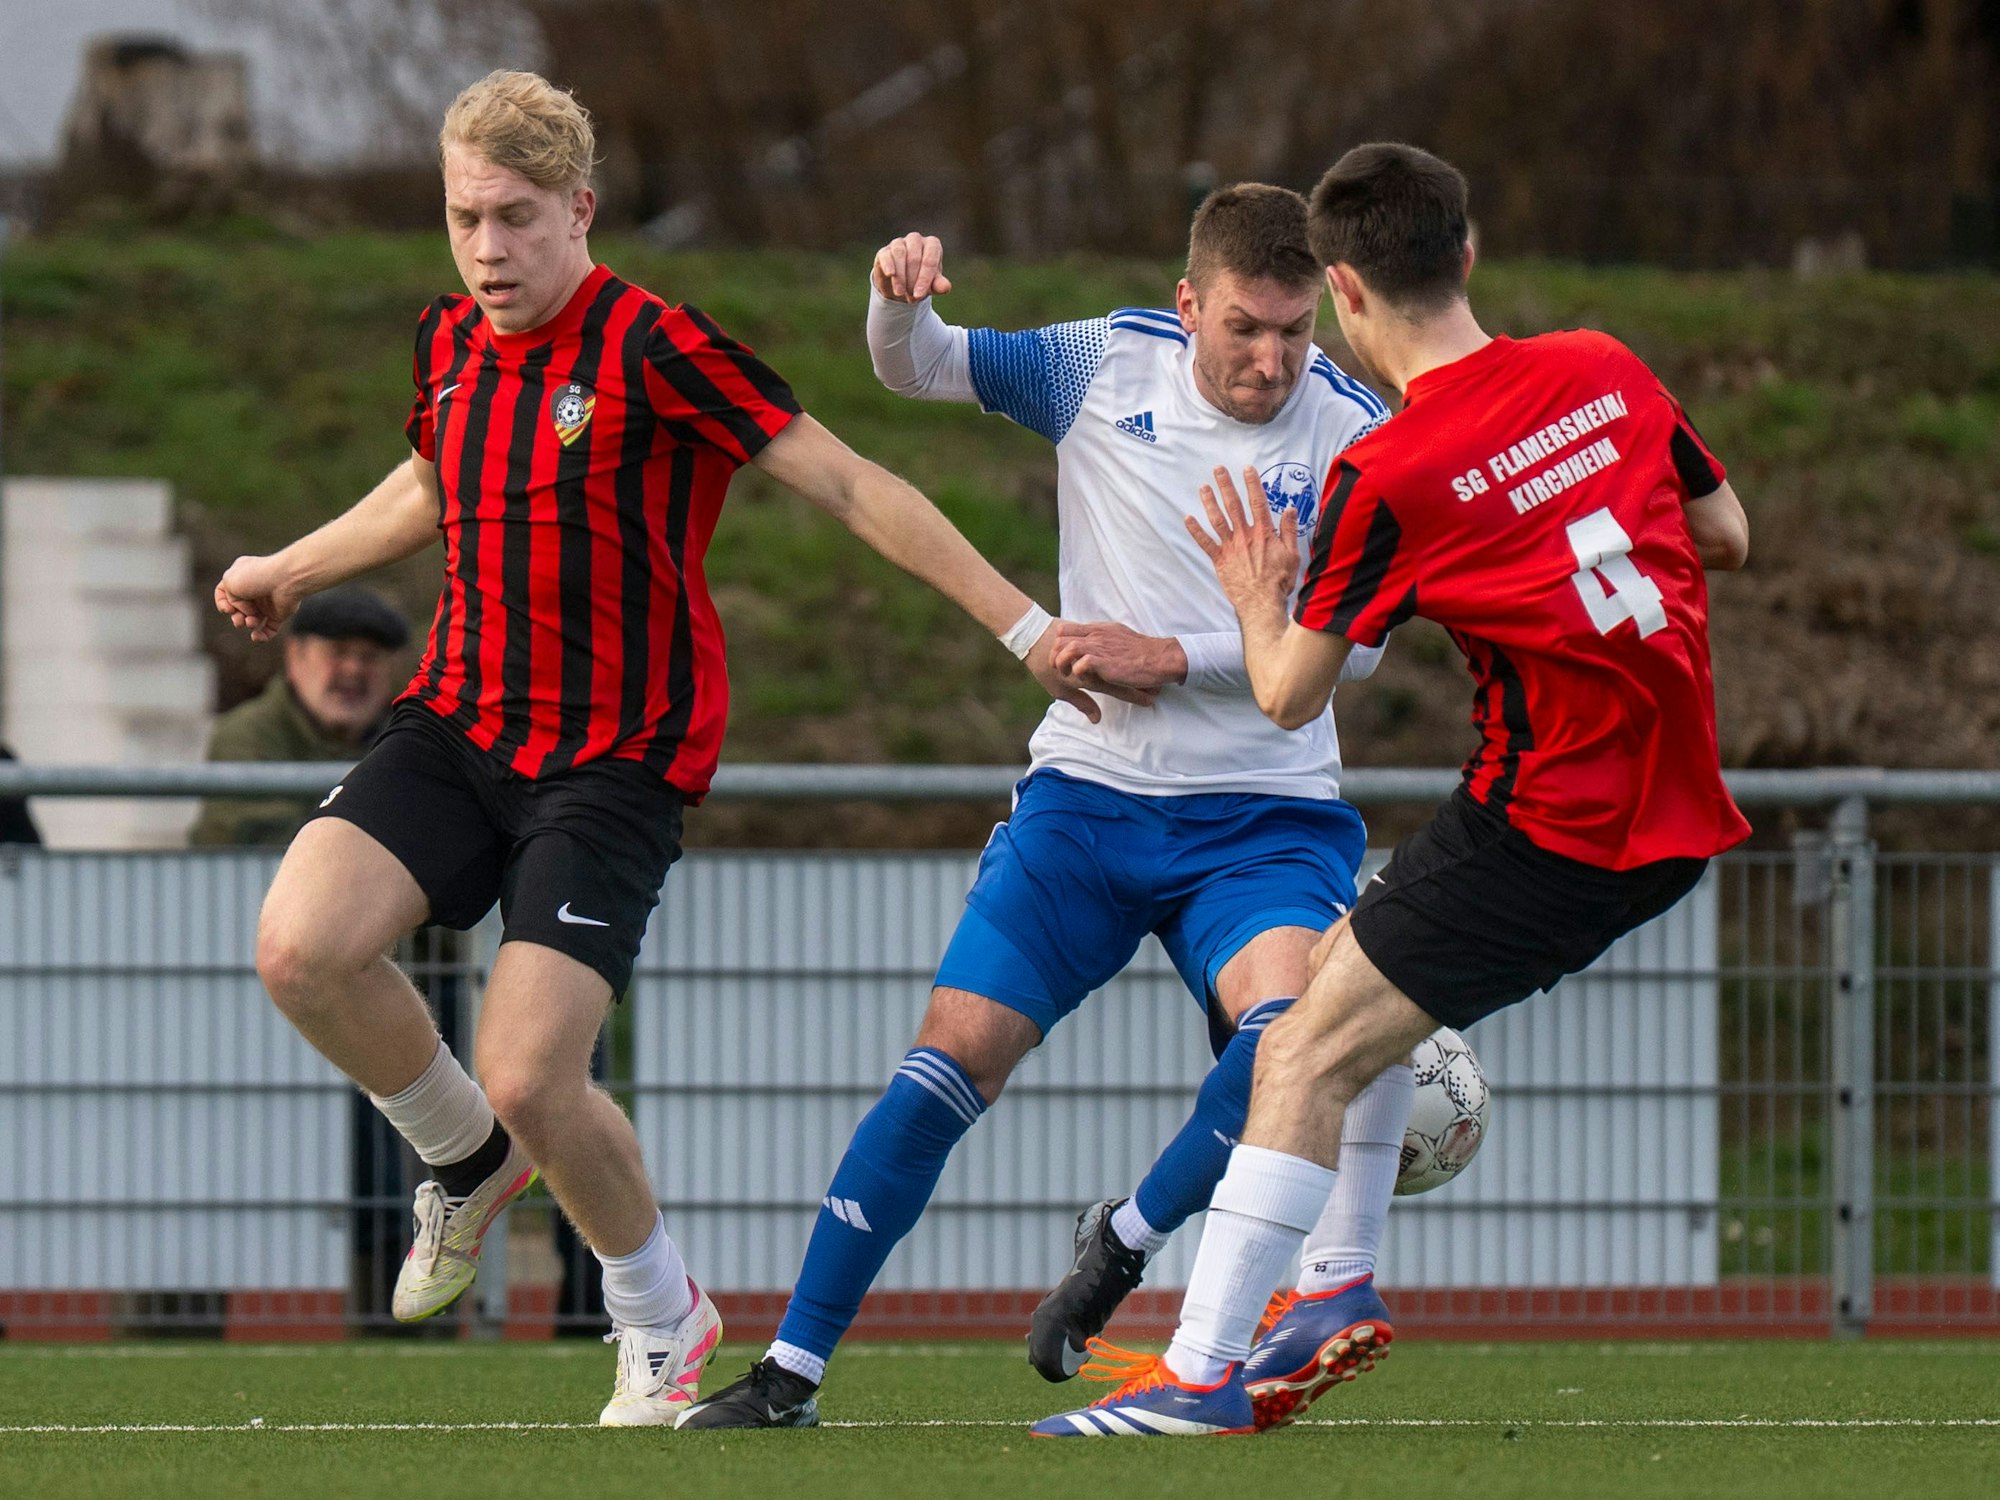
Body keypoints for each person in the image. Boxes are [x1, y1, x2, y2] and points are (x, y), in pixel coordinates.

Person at [213, 69, 1104, 1428]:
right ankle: (462, 1158)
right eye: (464, 220)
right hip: (458, 720)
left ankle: (659, 1310)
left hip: (614, 758)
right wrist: (293, 563)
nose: (488, 250)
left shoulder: (657, 347)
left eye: (515, 219)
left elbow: (851, 481)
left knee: (531, 1069)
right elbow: (436, 477)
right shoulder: (448, 342)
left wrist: (1027, 630)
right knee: (299, 948)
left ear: (580, 210)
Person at [1035, 142, 1751, 1438]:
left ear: (1344, 293)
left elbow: (1291, 693)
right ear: (1469, 254)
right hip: (1683, 808)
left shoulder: (1395, 467)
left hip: (1552, 824)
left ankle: (1205, 1375)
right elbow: (1724, 534)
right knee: (1342, 984)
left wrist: (1260, 597)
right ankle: (1332, 1289)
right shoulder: (1606, 367)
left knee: (1302, 1048)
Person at [681, 185, 1417, 1432]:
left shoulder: (1354, 432)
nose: (1271, 360)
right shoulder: (1099, 358)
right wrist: (892, 292)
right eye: (1244, 327)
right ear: (1189, 305)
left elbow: (1357, 657)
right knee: (943, 1066)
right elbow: (915, 369)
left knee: (1286, 1046)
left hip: (1265, 819)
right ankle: (787, 1372)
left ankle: (1125, 1239)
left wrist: (1172, 655)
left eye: (1296, 333)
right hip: (1086, 800)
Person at [190, 587, 410, 847]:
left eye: (369, 657)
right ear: (295, 656)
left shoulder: (410, 739)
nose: (354, 669)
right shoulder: (247, 735)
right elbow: (263, 841)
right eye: (338, 652)